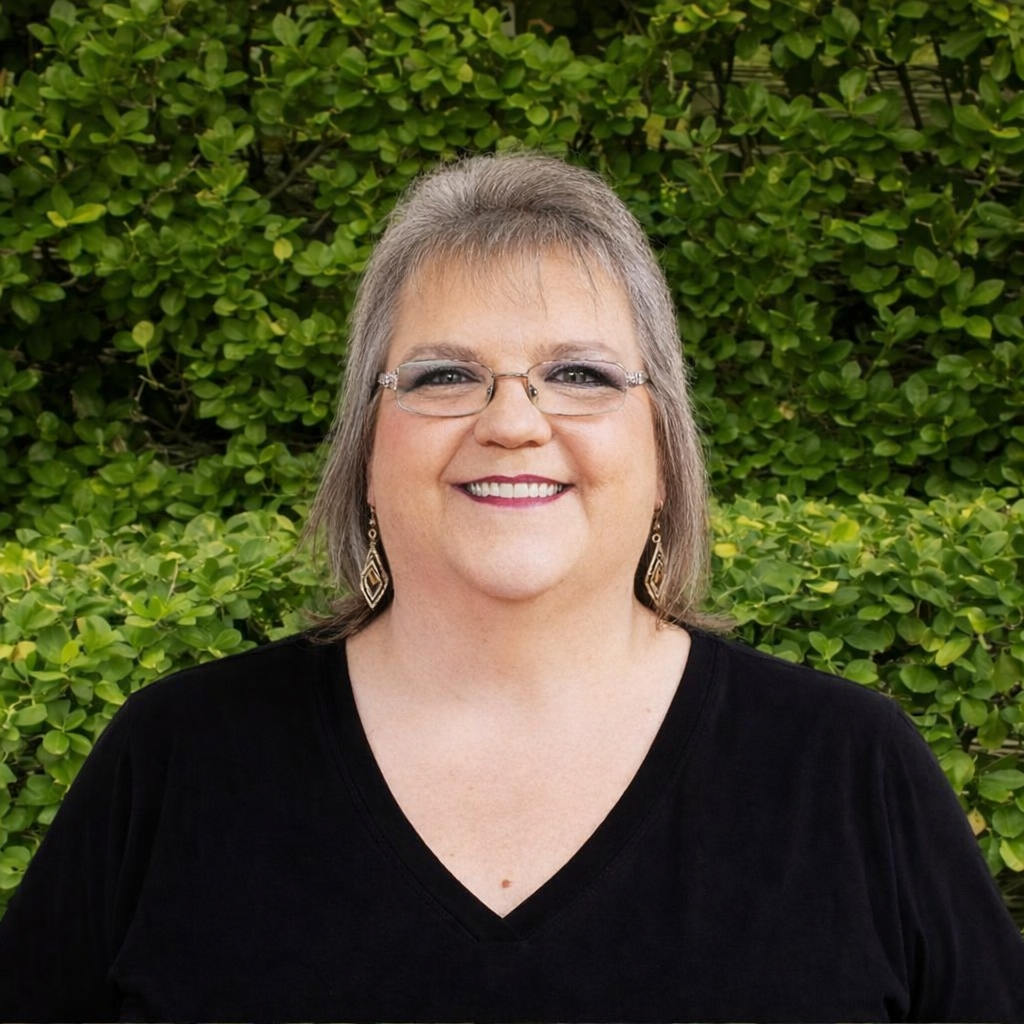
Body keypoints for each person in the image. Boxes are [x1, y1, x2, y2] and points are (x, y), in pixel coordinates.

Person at [1, 152, 1022, 1022]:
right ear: (367, 451)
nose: (513, 422)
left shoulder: (849, 770)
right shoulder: (177, 760)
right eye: (444, 375)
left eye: (580, 374)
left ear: (664, 451)